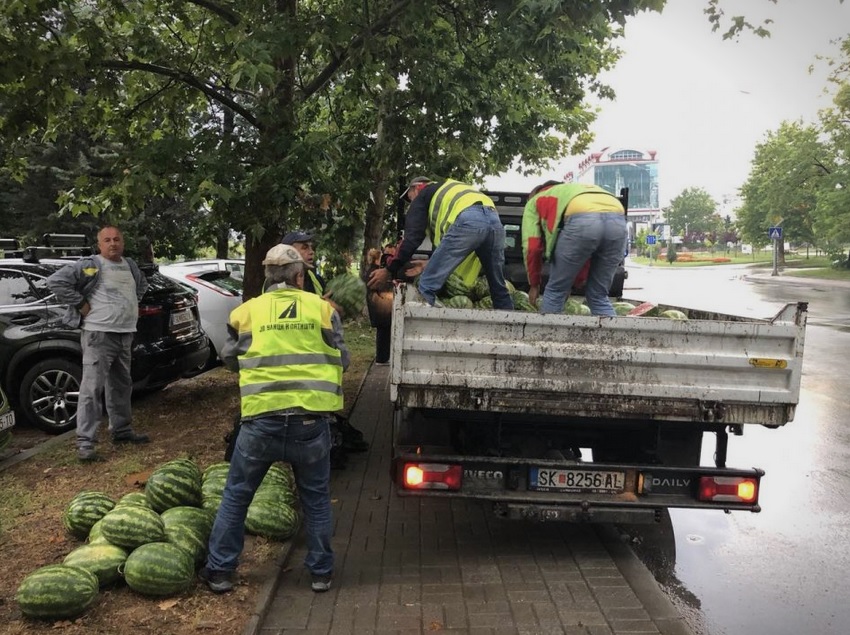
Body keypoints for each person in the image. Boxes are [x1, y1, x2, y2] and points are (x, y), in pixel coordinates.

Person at [200, 243, 350, 595]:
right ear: (300, 276)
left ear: (268, 275)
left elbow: (230, 360)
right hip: (310, 424)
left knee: (237, 496)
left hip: (260, 422)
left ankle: (220, 571)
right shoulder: (323, 310)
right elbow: (342, 360)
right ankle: (321, 573)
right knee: (315, 499)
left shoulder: (245, 313)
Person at [46, 225, 151, 461]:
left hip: (125, 333)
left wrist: (131, 305)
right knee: (92, 389)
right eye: (107, 240)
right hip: (98, 334)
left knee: (121, 385)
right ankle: (86, 443)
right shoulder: (89, 265)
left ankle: (122, 431)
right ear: (99, 244)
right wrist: (80, 303)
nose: (113, 243)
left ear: (123, 242)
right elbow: (56, 282)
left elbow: (141, 286)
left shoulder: (130, 265)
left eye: (116, 239)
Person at [281, 229, 368, 457]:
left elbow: (324, 309)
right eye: (304, 247)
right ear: (289, 252)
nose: (311, 251)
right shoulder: (279, 284)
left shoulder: (313, 278)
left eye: (311, 247)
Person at [367, 176, 514, 310]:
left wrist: (389, 270)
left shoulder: (422, 196)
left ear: (417, 187)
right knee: (498, 288)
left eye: (409, 198)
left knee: (426, 286)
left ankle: (431, 328)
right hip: (495, 221)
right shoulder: (451, 188)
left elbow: (412, 238)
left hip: (469, 221)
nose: (410, 203)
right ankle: (511, 334)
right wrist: (431, 263)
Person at [523, 181, 628, 316]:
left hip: (582, 219)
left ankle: (548, 337)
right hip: (618, 220)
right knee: (598, 296)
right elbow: (585, 253)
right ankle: (614, 336)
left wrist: (534, 284)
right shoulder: (573, 190)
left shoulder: (535, 200)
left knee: (555, 291)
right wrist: (574, 282)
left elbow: (532, 247)